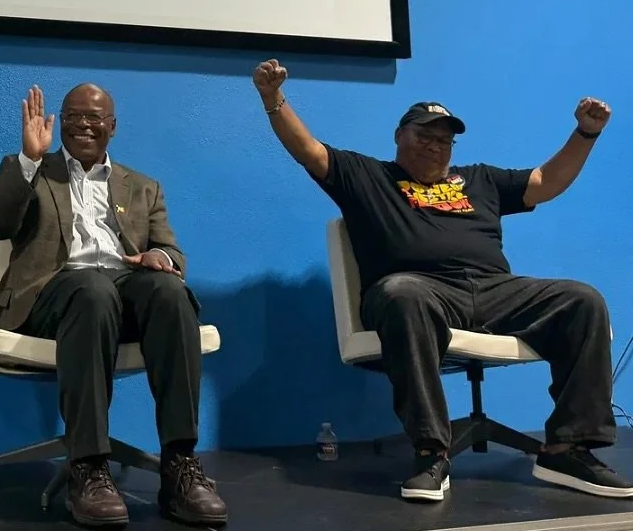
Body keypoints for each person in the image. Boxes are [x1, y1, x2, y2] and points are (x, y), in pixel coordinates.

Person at [251, 58, 632, 503]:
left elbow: (546, 182)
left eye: (444, 140)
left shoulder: (480, 179)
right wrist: (272, 98)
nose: (436, 146)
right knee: (402, 294)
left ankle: (567, 449)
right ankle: (432, 450)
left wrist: (585, 134)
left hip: (495, 292)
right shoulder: (369, 176)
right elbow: (310, 151)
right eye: (425, 136)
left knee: (583, 300)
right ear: (400, 136)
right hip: (419, 289)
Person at [0, 83, 226, 529]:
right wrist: (28, 158)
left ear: (112, 127)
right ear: (59, 123)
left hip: (123, 290)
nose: (84, 124)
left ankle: (180, 464)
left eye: (94, 117)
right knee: (91, 288)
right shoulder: (31, 170)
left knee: (171, 292)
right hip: (53, 295)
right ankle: (89, 467)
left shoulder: (142, 187)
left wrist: (160, 259)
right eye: (73, 116)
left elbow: (171, 252)